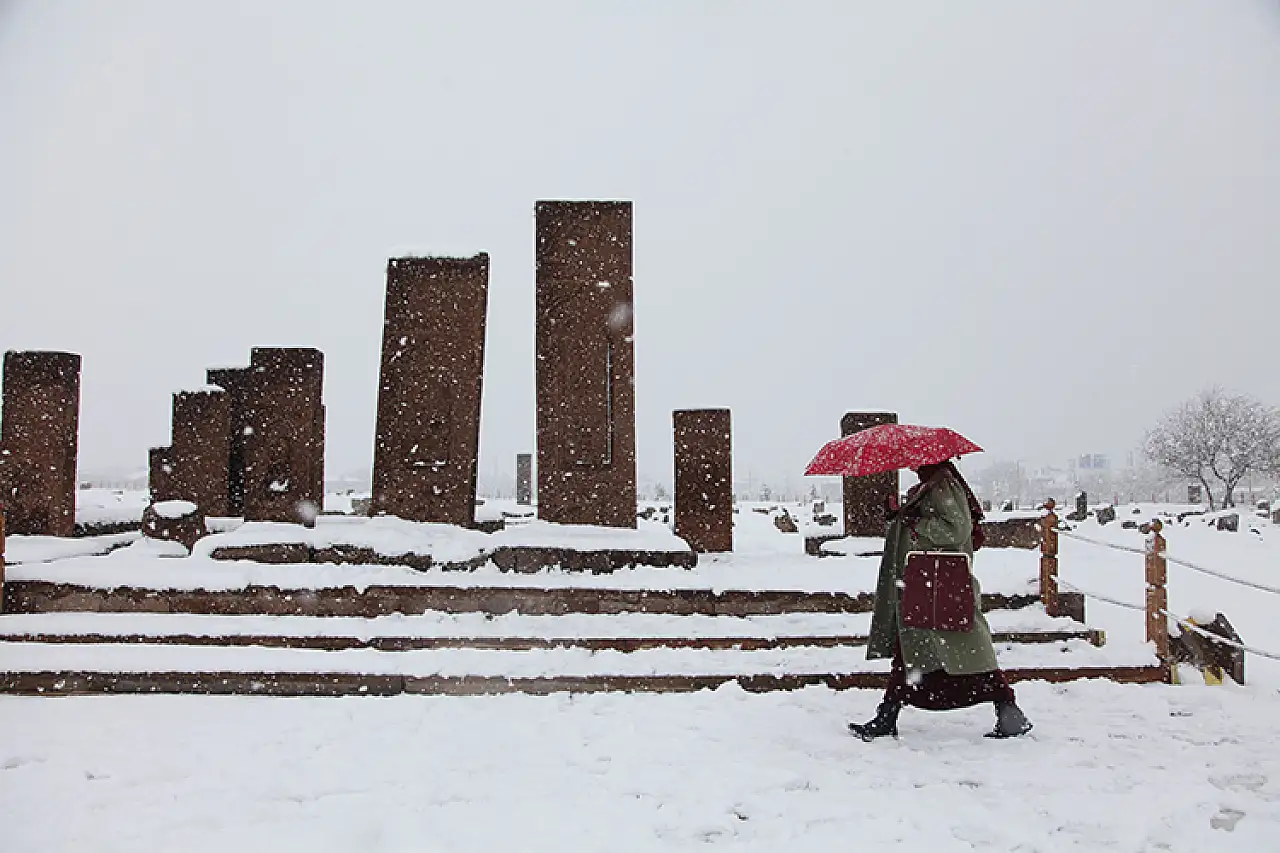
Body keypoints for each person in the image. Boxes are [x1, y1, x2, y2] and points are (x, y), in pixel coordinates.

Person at [849, 460, 1033, 740]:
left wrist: (915, 521)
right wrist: (901, 514)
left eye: (914, 458)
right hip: (925, 579)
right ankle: (888, 714)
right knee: (913, 649)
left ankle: (1008, 709)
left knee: (946, 648)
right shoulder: (933, 484)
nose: (909, 462)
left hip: (936, 580)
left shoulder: (943, 484)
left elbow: (955, 530)